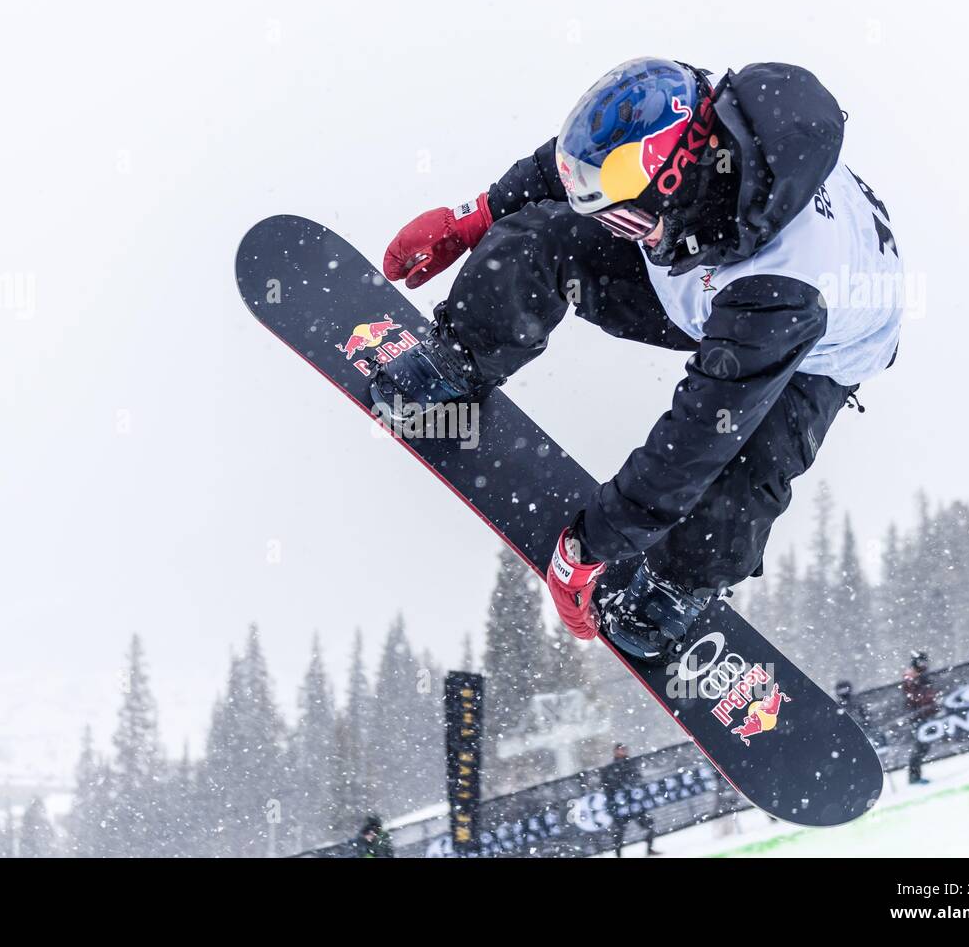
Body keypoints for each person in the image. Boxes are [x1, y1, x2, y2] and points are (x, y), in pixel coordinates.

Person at [374, 58, 903, 661]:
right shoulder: (689, 116)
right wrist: (480, 214)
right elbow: (583, 161)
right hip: (708, 258)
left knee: (745, 462)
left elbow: (697, 439)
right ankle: (459, 362)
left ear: (676, 187)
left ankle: (679, 584)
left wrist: (592, 544)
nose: (617, 231)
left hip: (816, 348)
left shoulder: (782, 292)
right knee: (545, 235)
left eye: (625, 218)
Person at [601, 743, 657, 857]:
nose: (622, 752)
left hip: (634, 805)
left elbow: (637, 779)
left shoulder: (631, 764)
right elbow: (608, 786)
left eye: (623, 749)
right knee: (618, 833)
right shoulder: (610, 768)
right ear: (615, 751)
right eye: (620, 750)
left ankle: (649, 849)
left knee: (650, 825)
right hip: (621, 807)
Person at [901, 652, 937, 785]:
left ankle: (915, 776)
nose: (924, 665)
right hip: (918, 716)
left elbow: (928, 694)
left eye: (925, 662)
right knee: (920, 746)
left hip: (925, 715)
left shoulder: (923, 676)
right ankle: (914, 777)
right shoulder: (912, 677)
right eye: (921, 662)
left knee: (924, 746)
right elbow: (914, 696)